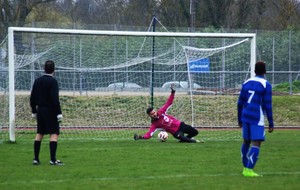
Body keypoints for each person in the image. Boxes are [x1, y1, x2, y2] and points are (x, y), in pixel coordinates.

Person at [237, 61, 274, 177]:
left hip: (245, 115)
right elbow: (268, 105)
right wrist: (271, 122)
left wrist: (239, 119)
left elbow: (239, 103)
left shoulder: (246, 82)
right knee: (256, 142)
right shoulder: (265, 84)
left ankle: (245, 168)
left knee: (246, 141)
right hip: (256, 117)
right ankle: (249, 170)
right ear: (265, 71)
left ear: (254, 70)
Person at [134, 84, 202, 143]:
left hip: (181, 125)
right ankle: (194, 141)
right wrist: (140, 137)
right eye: (152, 114)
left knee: (195, 132)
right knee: (181, 136)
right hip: (176, 132)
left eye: (154, 112)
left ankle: (185, 140)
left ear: (155, 111)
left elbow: (169, 102)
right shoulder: (154, 125)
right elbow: (149, 135)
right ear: (149, 115)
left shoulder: (161, 111)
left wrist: (173, 92)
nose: (154, 114)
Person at [30, 60, 64, 166]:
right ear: (54, 70)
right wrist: (59, 113)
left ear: (44, 69)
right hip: (50, 111)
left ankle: (36, 159)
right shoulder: (53, 81)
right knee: (54, 133)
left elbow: (32, 97)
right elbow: (55, 99)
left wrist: (34, 111)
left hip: (40, 110)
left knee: (39, 133)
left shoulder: (37, 80)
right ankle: (52, 160)